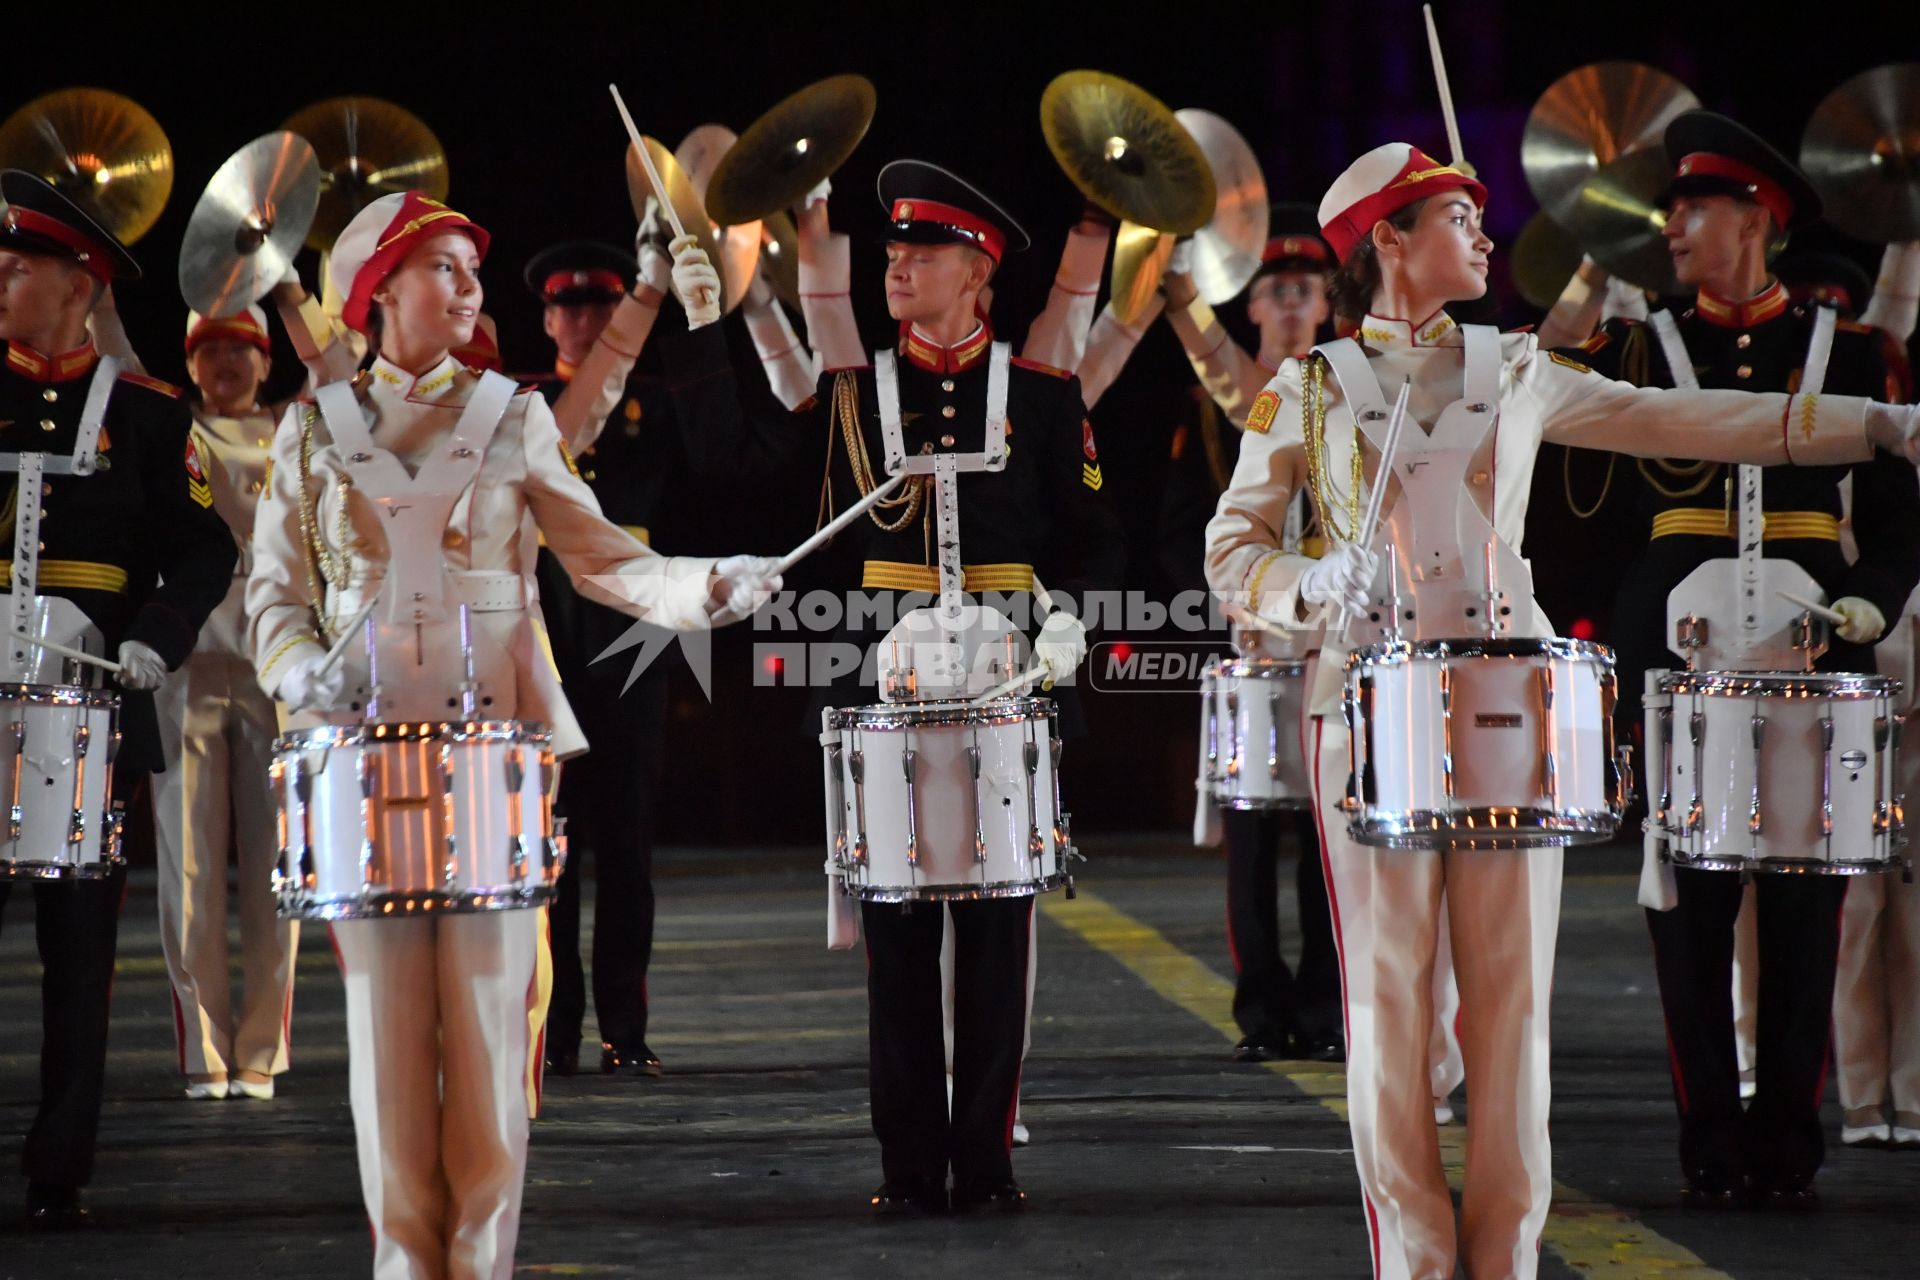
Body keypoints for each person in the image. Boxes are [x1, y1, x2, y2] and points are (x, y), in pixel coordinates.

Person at [1205, 140, 1920, 1279]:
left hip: (1506, 701)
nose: (1487, 235)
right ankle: (1417, 1261)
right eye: (1455, 215)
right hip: (1371, 704)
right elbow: (1232, 549)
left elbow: (1688, 419)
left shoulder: (1519, 365)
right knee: (1389, 1005)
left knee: (1512, 1008)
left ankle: (1507, 1256)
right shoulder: (1308, 387)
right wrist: (1309, 584)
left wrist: (1875, 428)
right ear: (1387, 241)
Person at [245, 190, 781, 1277]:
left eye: (471, 269)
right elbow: (272, 597)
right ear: (378, 289)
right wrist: (299, 668)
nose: (469, 287)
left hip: (493, 762)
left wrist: (707, 586)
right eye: (443, 266)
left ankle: (481, 1266)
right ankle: (406, 1265)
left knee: (494, 1051)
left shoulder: (514, 415)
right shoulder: (312, 430)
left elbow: (604, 559)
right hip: (360, 768)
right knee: (387, 1060)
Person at [664, 160, 1124, 1215]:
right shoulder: (851, 394)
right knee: (899, 925)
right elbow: (735, 465)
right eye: (891, 251)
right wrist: (701, 328)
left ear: (982, 274)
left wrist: (1071, 622)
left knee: (1002, 926)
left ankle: (989, 1161)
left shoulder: (1047, 396)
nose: (896, 265)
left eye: (924, 253)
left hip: (1013, 667)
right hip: (883, 672)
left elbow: (1099, 536)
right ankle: (911, 1164)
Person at [1563, 112, 1920, 1208]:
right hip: (1683, 655)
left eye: (1693, 207)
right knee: (1688, 905)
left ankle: (1788, 1136)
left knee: (1808, 901)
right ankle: (1708, 1136)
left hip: (1813, 648)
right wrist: (1625, 642)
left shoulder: (1857, 352)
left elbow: (1902, 519)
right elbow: (1586, 511)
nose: (1670, 227)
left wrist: (1864, 605)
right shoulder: (1637, 349)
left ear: (1757, 216)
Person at [0, 170, 238, 1228]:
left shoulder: (146, 414)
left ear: (78, 280)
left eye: (16, 266)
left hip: (86, 702)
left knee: (80, 945)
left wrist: (152, 638)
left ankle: (59, 1163)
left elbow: (205, 543)